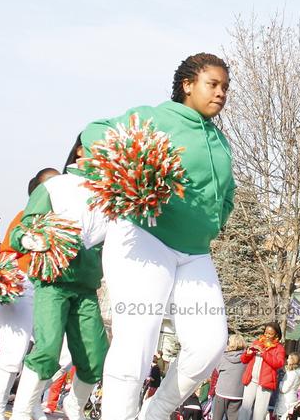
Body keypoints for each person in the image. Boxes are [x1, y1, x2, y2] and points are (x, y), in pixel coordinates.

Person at [91, 53, 236, 420]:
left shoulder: (220, 141)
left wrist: (219, 217)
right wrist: (134, 166)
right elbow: (95, 131)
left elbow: (227, 191)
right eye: (213, 84)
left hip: (195, 252)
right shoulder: (157, 117)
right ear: (188, 85)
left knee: (209, 345)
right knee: (137, 340)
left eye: (225, 87)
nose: (220, 93)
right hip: (145, 238)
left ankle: (154, 413)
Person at [8, 145, 111, 420]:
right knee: (47, 349)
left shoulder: (111, 195)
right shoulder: (55, 187)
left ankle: (74, 406)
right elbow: (22, 228)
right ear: (80, 150)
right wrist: (30, 240)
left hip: (87, 287)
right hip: (53, 282)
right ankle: (21, 411)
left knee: (96, 355)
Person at [0, 171, 55, 420]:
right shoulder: (23, 217)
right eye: (51, 184)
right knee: (13, 354)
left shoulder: (65, 220)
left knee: (62, 354)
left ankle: (30, 400)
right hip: (22, 286)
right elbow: (7, 254)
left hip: (51, 291)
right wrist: (0, 284)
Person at [238, 322, 287, 420]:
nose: (267, 335)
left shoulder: (279, 348)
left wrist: (264, 353)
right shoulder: (257, 342)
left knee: (259, 412)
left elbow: (279, 364)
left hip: (265, 383)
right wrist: (248, 353)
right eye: (266, 333)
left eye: (270, 334)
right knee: (245, 409)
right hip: (251, 380)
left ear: (276, 335)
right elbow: (243, 360)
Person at [212, 335, 247, 420]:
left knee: (217, 417)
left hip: (222, 392)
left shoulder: (223, 357)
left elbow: (217, 370)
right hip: (238, 394)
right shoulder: (246, 358)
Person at [276, 353, 300, 420]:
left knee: (283, 417)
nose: (287, 360)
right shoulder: (297, 372)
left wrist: (280, 381)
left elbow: (283, 389)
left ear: (293, 360)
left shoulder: (292, 373)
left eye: (289, 358)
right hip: (292, 398)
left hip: (286, 401)